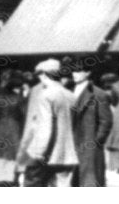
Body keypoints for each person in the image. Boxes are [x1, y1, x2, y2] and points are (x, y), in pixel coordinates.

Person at [17, 58, 78, 187]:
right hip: (67, 154)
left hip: (46, 154)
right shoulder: (70, 95)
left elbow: (45, 126)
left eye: (39, 74)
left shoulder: (45, 95)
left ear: (43, 74)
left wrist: (38, 154)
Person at [70, 61, 112, 186]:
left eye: (79, 70)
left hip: (89, 144)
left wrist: (97, 141)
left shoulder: (98, 94)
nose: (75, 74)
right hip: (71, 143)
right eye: (73, 70)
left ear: (87, 73)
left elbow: (106, 120)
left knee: (90, 183)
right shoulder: (68, 91)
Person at [0, 70, 28, 186]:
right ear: (16, 87)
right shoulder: (20, 99)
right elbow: (24, 115)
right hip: (15, 129)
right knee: (13, 156)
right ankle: (12, 181)